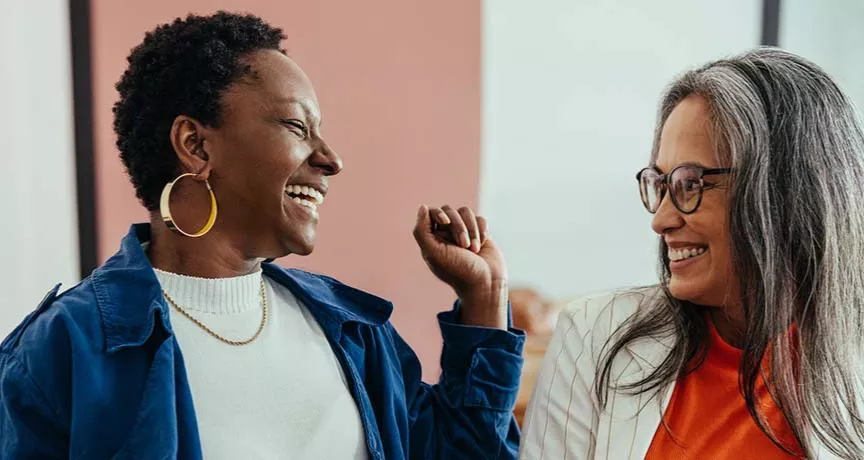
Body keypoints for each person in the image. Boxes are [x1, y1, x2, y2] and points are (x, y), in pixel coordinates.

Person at [0, 12, 524, 459]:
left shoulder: (354, 333)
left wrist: (484, 297)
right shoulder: (65, 349)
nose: (331, 159)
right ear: (195, 145)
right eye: (298, 128)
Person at [520, 48, 864, 459]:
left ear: (787, 192)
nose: (661, 220)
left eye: (690, 184)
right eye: (661, 184)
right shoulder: (592, 337)